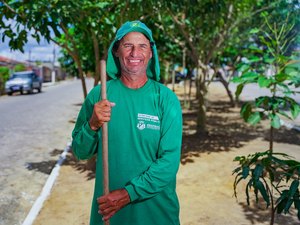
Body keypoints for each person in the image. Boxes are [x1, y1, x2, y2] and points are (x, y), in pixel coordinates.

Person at [72, 20, 182, 225]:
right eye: (127, 45)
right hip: (111, 217)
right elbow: (80, 151)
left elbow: (169, 162)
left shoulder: (166, 99)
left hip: (157, 215)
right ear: (116, 51)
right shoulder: (100, 95)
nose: (134, 53)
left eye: (142, 46)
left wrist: (127, 194)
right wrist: (93, 124)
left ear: (151, 53)